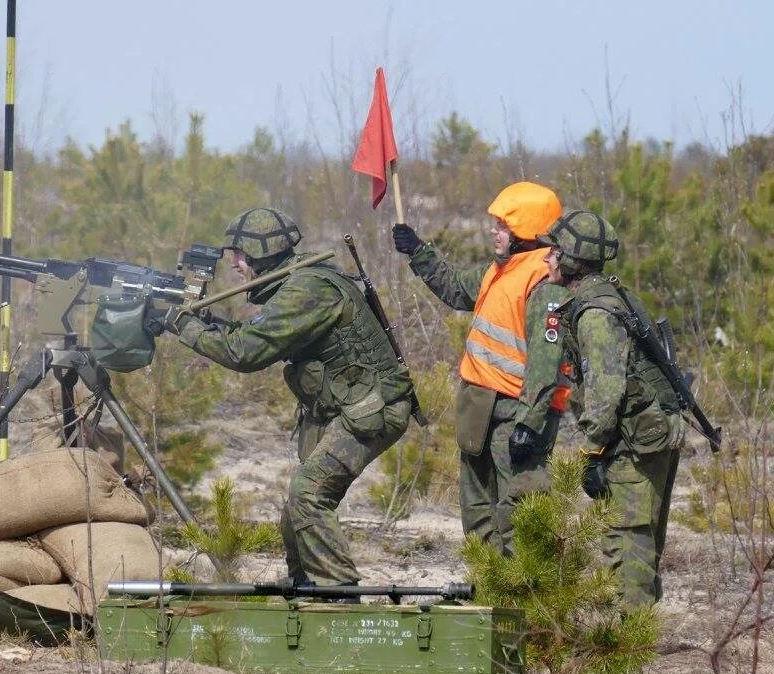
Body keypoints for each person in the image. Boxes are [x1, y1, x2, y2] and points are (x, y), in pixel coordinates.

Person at [160, 207, 415, 592]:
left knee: (308, 494)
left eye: (239, 255)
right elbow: (253, 334)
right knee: (298, 504)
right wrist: (210, 325)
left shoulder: (307, 289)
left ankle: (338, 595)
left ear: (262, 255)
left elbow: (246, 352)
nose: (233, 263)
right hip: (348, 406)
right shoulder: (299, 283)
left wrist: (184, 326)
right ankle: (303, 582)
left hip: (372, 410)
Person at [391, 182, 568, 555]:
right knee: (478, 511)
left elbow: (546, 366)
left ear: (527, 230)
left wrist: (528, 424)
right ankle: (487, 592)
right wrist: (419, 252)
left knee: (518, 512)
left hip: (516, 414)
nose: (494, 231)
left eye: (502, 225)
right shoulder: (502, 269)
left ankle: (523, 602)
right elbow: (457, 288)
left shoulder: (544, 282)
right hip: (479, 407)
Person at [539, 210, 682, 608]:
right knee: (643, 535)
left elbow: (604, 392)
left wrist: (592, 452)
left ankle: (635, 636)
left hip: (633, 439)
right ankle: (641, 627)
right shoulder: (610, 295)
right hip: (648, 431)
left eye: (554, 251)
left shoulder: (595, 313)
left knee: (629, 535)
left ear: (571, 260)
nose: (546, 258)